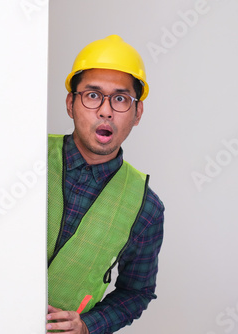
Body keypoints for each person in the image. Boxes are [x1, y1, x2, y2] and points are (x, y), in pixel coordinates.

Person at [46, 35, 165, 334]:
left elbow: (136, 292)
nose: (106, 111)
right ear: (70, 103)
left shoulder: (146, 207)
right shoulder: (27, 156)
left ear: (137, 114)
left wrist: (88, 326)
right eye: (93, 95)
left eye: (121, 99)